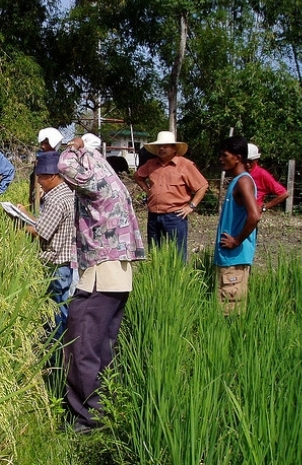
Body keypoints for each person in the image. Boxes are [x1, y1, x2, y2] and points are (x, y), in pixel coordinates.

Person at [58, 136, 145, 433]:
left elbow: (64, 165)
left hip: (99, 274)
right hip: (118, 276)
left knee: (79, 346)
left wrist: (74, 146)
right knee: (102, 347)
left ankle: (89, 420)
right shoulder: (114, 185)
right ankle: (107, 407)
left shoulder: (95, 183)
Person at [16, 151, 75, 339]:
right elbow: (45, 225)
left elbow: (40, 233)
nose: (39, 181)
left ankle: (57, 354)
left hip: (55, 266)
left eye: (41, 177)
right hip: (64, 264)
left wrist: (18, 225)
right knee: (59, 309)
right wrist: (26, 213)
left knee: (56, 313)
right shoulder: (66, 193)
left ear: (52, 176)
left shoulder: (55, 200)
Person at [134, 131, 208, 261]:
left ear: (174, 148)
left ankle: (177, 279)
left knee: (178, 254)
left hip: (175, 215)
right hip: (154, 215)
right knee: (155, 253)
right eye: (159, 146)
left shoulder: (185, 165)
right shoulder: (151, 164)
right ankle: (157, 278)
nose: (161, 149)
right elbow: (138, 176)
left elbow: (202, 186)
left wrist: (191, 206)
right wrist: (147, 190)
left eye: (165, 146)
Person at [214, 136, 261, 315]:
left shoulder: (243, 181)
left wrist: (236, 241)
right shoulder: (236, 181)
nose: (221, 159)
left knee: (231, 312)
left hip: (236, 258)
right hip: (228, 258)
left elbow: (254, 216)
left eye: (225, 155)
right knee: (224, 307)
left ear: (238, 157)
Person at [246, 143, 289, 213]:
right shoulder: (240, 172)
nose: (247, 164)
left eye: (250, 161)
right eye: (245, 161)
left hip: (251, 214)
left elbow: (284, 194)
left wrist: (265, 207)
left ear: (256, 160)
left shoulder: (262, 174)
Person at [29, 127, 64, 207]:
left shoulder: (61, 162)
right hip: (40, 200)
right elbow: (34, 180)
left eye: (46, 143)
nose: (43, 146)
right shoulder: (40, 157)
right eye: (42, 143)